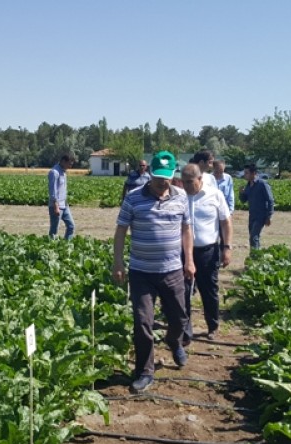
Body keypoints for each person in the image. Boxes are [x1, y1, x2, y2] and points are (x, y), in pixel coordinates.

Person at [112, 151, 195, 393]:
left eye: (167, 177)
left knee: (180, 318)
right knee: (143, 322)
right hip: (141, 272)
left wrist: (189, 260)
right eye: (158, 177)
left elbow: (187, 230)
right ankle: (144, 372)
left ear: (173, 175)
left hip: (172, 270)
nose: (163, 182)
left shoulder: (181, 198)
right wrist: (118, 263)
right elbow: (120, 231)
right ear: (149, 174)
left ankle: (174, 340)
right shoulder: (134, 198)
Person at [180, 163, 232, 341]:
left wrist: (227, 247)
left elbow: (226, 222)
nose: (186, 186)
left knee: (209, 290)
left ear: (200, 178)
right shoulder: (179, 196)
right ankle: (185, 332)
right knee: (184, 291)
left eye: (189, 182)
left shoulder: (214, 195)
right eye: (183, 182)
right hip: (183, 252)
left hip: (208, 252)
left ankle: (213, 326)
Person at [239, 163, 274, 250]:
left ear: (253, 173)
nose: (245, 175)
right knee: (253, 237)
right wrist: (241, 193)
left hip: (261, 215)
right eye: (245, 173)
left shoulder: (262, 184)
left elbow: (270, 200)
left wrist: (269, 216)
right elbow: (243, 200)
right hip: (252, 215)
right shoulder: (248, 185)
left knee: (254, 237)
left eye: (247, 173)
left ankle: (255, 258)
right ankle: (256, 258)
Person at [48, 153, 75, 240]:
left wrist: (66, 203)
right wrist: (56, 206)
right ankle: (51, 248)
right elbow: (53, 190)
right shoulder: (54, 172)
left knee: (71, 226)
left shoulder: (64, 173)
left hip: (64, 205)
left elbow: (63, 189)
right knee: (54, 230)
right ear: (63, 161)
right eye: (69, 164)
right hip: (56, 206)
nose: (70, 166)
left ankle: (65, 246)